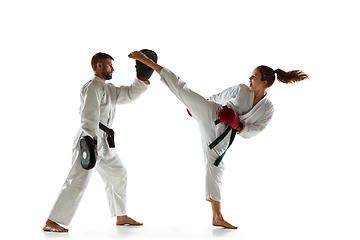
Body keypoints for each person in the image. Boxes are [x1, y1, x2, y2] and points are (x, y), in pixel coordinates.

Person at [128, 50, 309, 229]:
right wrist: (198, 108)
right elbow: (216, 98)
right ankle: (148, 62)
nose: (249, 79)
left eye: (254, 77)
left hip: (225, 133)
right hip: (214, 113)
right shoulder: (241, 89)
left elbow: (256, 130)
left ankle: (217, 216)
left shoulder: (268, 108)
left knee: (215, 166)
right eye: (251, 76)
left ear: (264, 82)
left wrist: (239, 126)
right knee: (184, 90)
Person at [43, 52, 150, 232]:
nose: (113, 68)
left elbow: (130, 94)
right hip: (89, 138)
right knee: (78, 179)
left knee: (118, 172)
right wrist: (91, 142)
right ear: (99, 66)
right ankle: (52, 221)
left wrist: (142, 77)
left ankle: (121, 215)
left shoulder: (108, 89)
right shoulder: (93, 86)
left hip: (104, 141)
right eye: (109, 65)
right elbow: (89, 115)